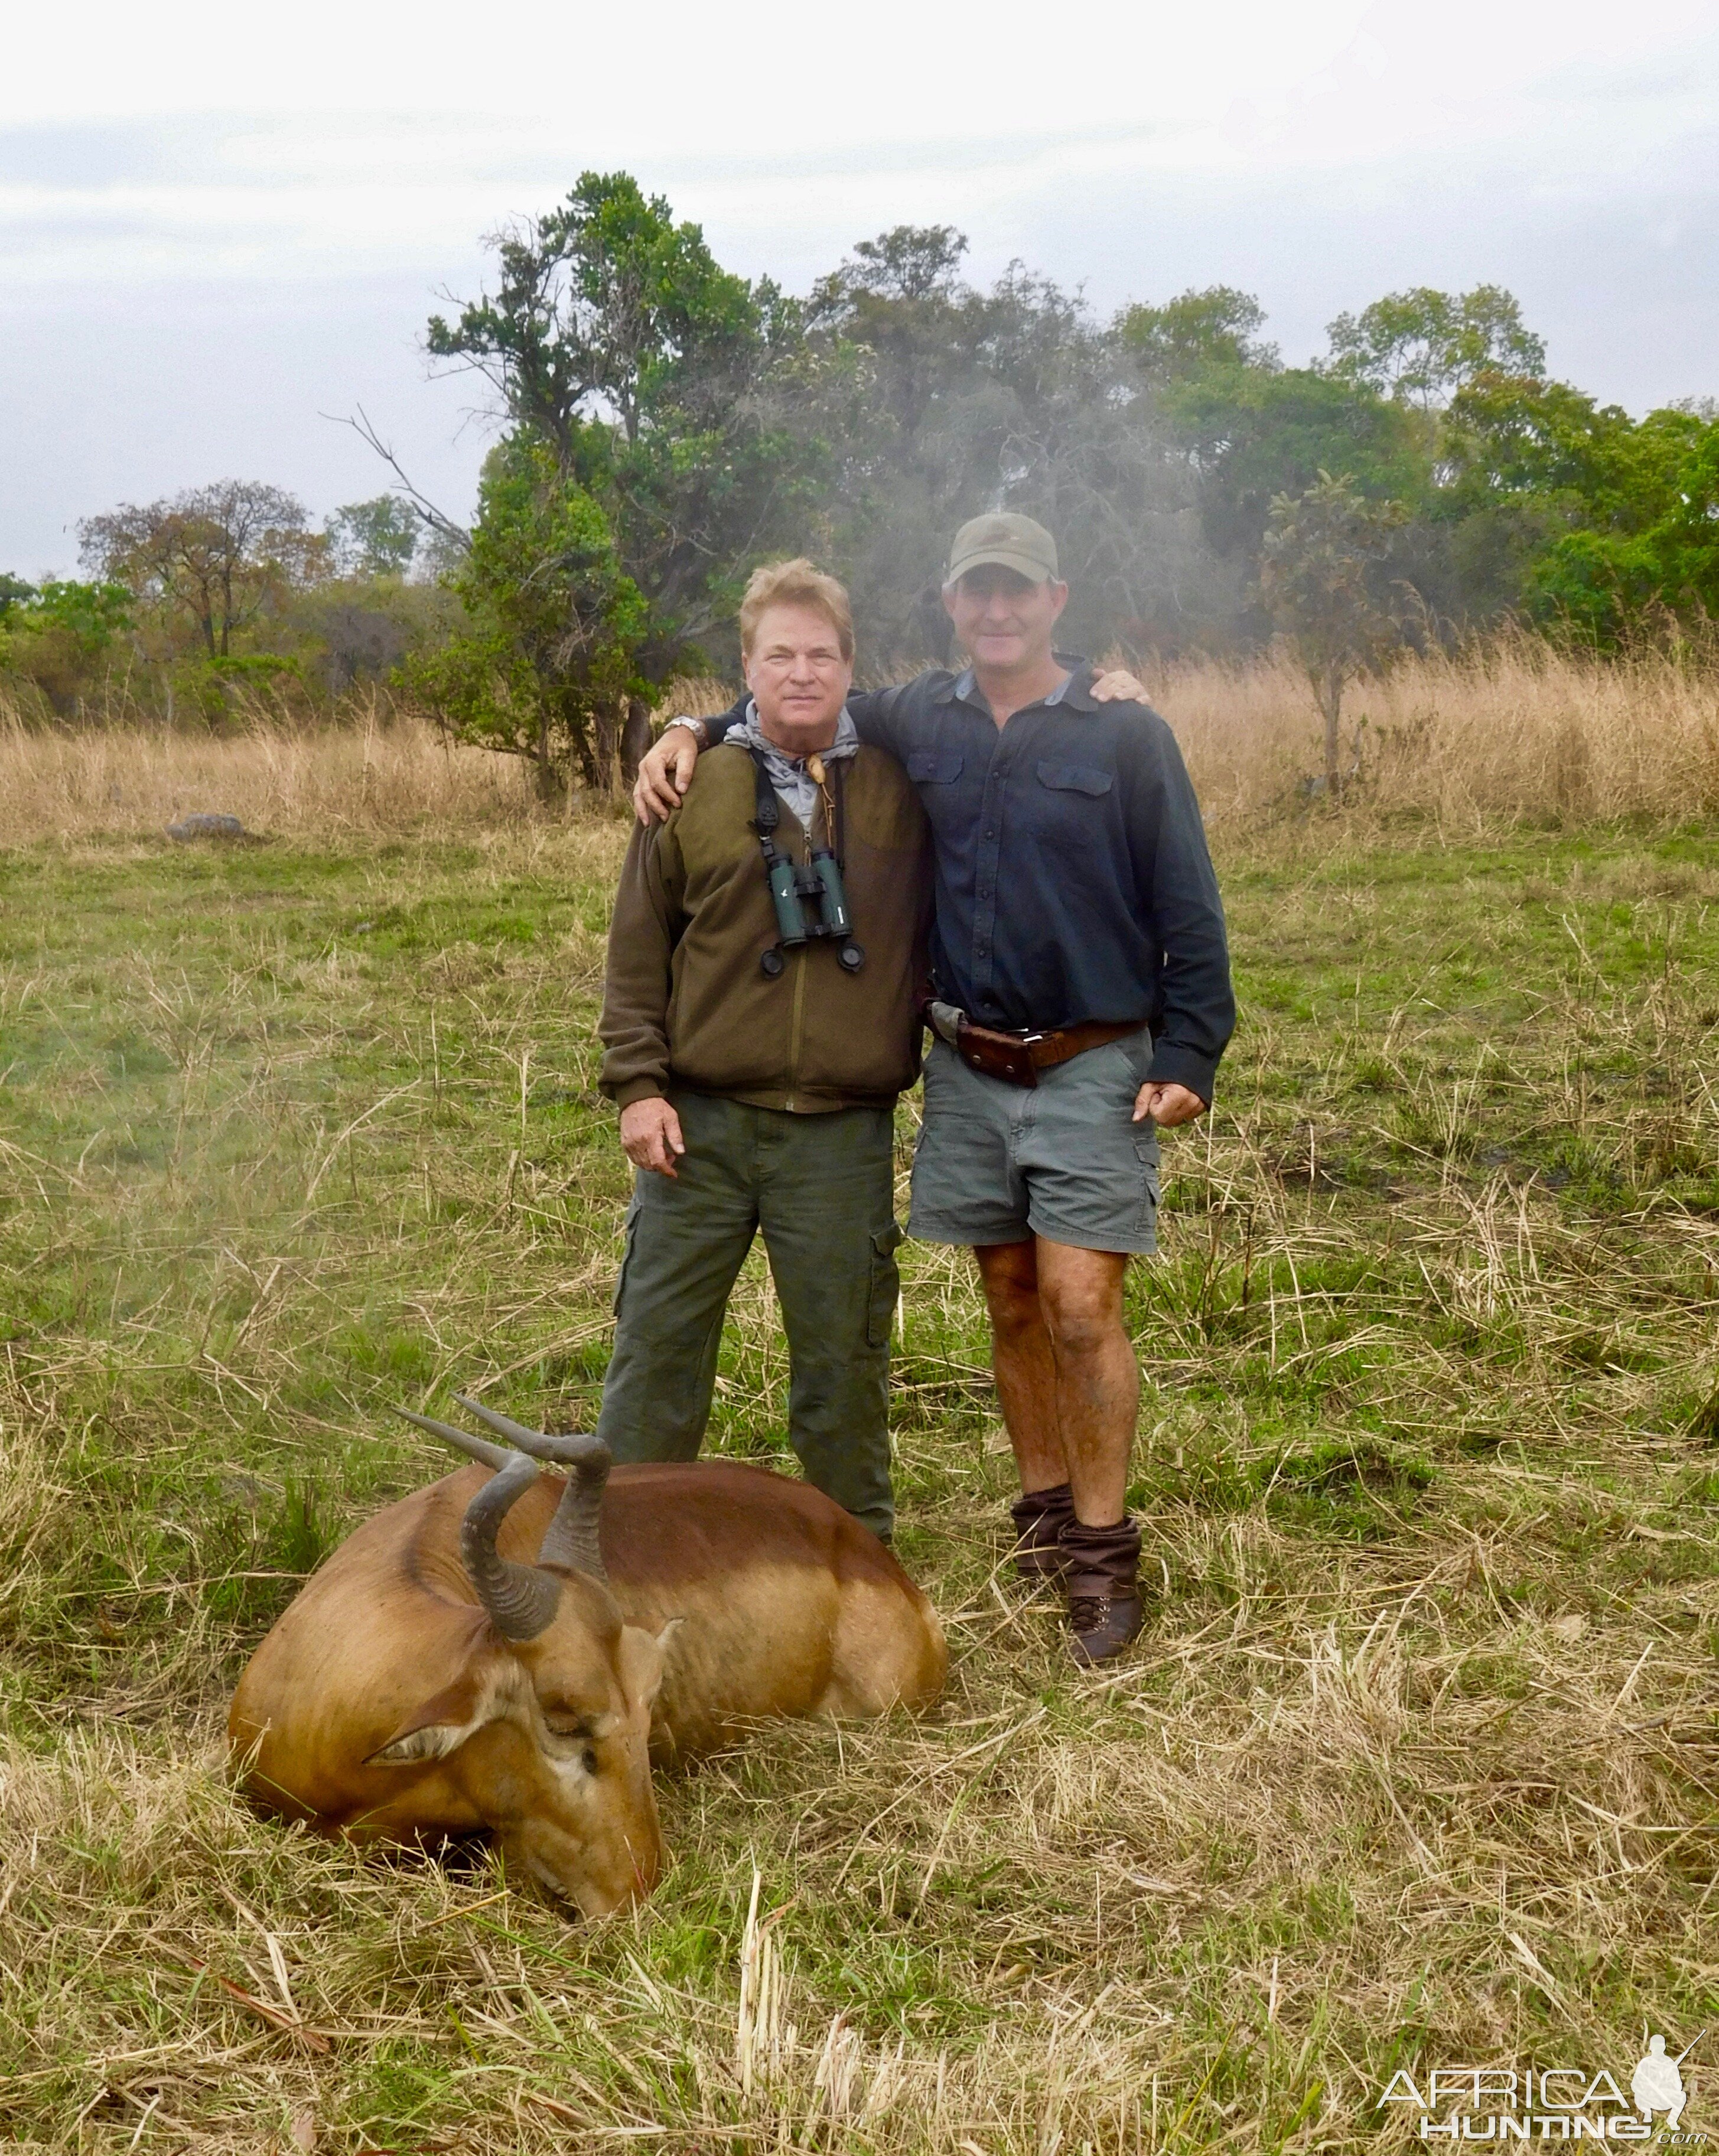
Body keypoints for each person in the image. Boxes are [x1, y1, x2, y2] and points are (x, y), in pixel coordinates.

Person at [634, 513, 1234, 1661]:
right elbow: (786, 705)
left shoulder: (1126, 731)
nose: (997, 611)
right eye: (977, 593)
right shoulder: (919, 715)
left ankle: (1103, 1558)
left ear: (1057, 598)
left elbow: (1188, 899)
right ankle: (1045, 1513)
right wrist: (686, 724)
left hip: (1097, 1060)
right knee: (1009, 1299)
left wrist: (1189, 1050)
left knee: (1077, 1306)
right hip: (968, 1060)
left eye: (1018, 592)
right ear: (951, 604)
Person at [596, 559, 927, 1541]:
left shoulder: (906, 779)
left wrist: (1102, 682)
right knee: (656, 1354)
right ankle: (620, 1550)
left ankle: (854, 1559)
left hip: (839, 1134)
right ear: (745, 664)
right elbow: (635, 950)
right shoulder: (690, 782)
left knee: (841, 1363)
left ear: (850, 666)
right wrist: (637, 1087)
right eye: (778, 653)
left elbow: (1009, 698)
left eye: (821, 654)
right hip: (698, 1127)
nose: (800, 672)